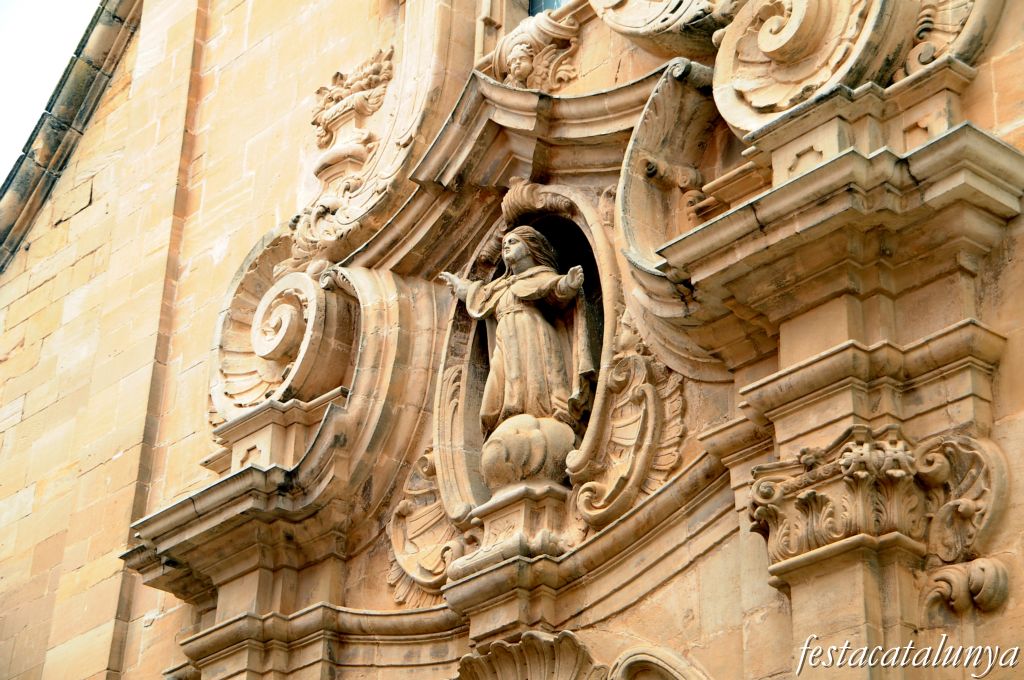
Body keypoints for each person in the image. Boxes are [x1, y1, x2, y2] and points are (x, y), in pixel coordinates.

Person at [440, 226, 594, 437]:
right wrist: (459, 285)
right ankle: (505, 416)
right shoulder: (500, 286)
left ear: (530, 248)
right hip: (504, 336)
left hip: (532, 331)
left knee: (536, 378)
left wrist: (568, 284)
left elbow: (557, 290)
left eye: (513, 242)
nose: (506, 247)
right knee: (502, 378)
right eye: (504, 245)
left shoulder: (541, 276)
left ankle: (545, 415)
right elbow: (477, 295)